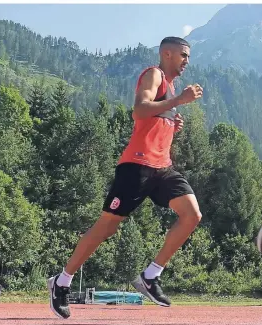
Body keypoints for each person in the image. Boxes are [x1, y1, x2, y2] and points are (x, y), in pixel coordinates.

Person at [48, 36, 203, 319]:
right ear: (167, 54)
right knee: (107, 227)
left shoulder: (170, 87)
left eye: (188, 57)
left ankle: (151, 275)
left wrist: (171, 120)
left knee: (192, 215)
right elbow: (139, 110)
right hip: (137, 165)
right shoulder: (153, 74)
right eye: (183, 55)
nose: (186, 61)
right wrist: (179, 101)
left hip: (163, 167)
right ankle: (62, 282)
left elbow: (153, 117)